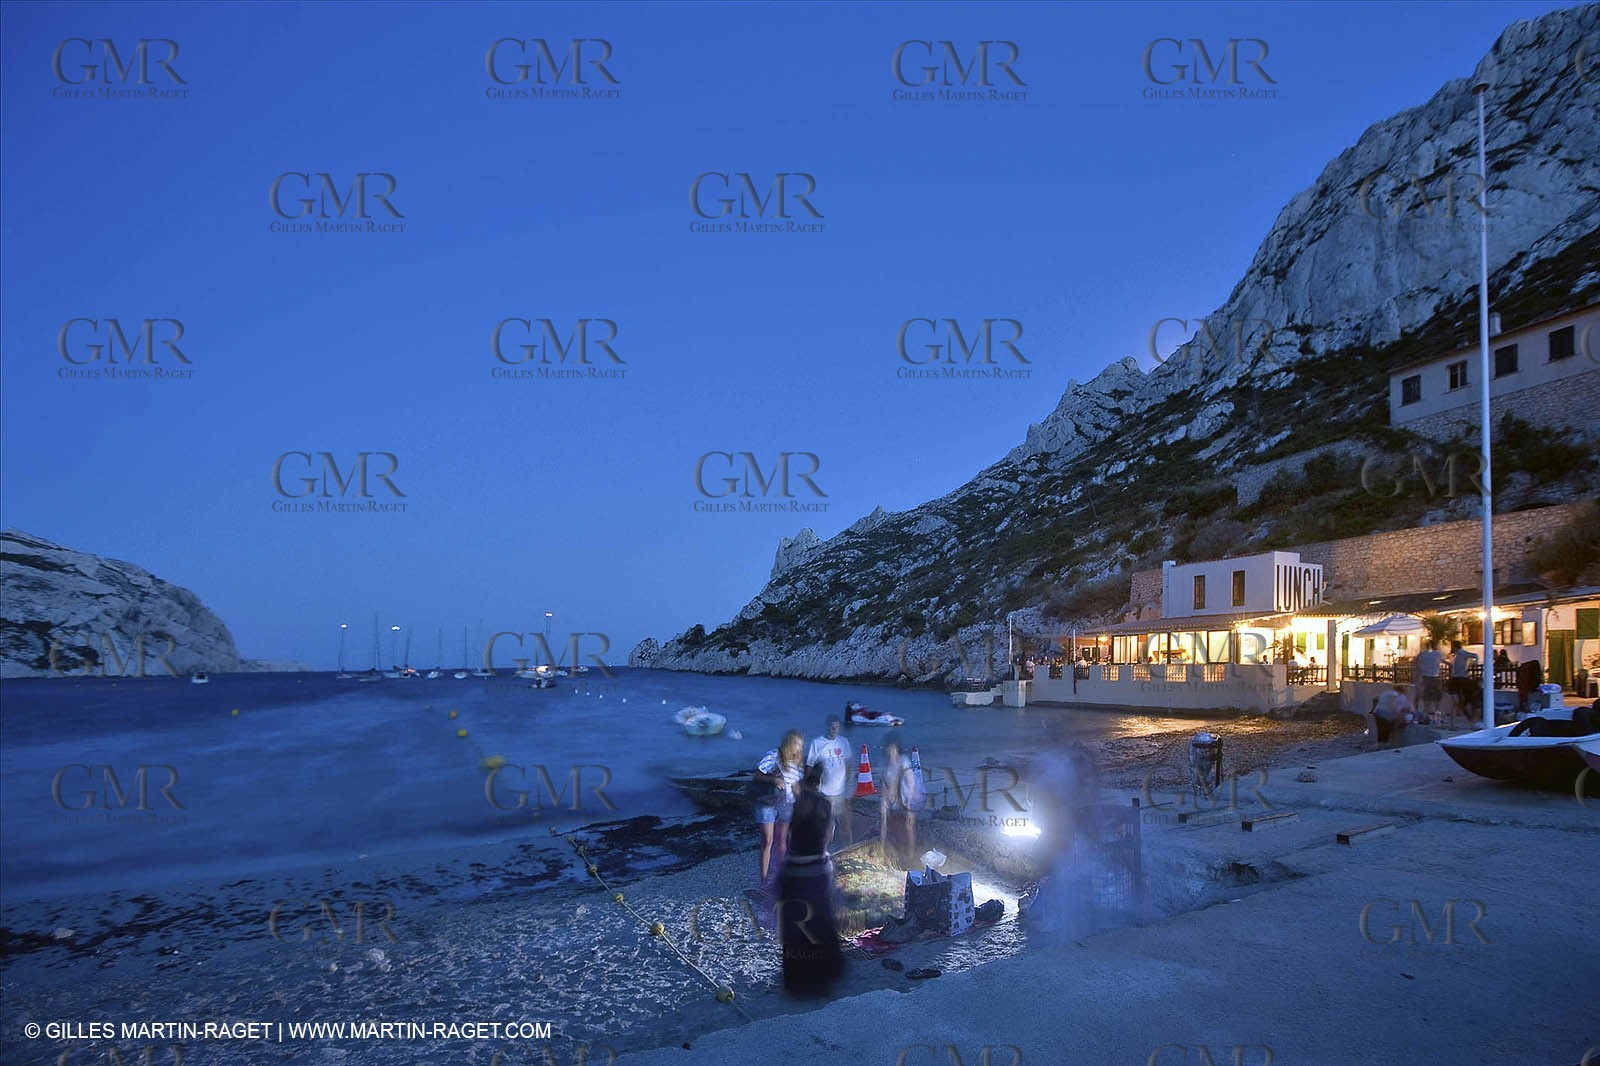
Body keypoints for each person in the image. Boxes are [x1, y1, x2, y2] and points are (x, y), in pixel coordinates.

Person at [777, 762, 843, 996]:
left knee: (796, 924)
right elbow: (828, 837)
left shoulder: (793, 804)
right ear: (819, 782)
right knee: (822, 919)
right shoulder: (825, 803)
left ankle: (798, 979)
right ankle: (826, 973)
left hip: (796, 870)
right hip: (820, 870)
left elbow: (783, 840)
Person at [753, 730, 805, 890]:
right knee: (767, 841)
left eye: (801, 745)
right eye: (797, 744)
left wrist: (803, 801)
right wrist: (773, 779)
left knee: (782, 841)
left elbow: (796, 785)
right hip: (768, 802)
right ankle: (764, 880)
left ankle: (781, 876)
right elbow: (757, 775)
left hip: (787, 804)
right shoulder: (773, 755)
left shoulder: (798, 762)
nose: (799, 748)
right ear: (789, 743)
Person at [805, 715, 852, 846]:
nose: (834, 730)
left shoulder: (844, 742)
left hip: (842, 791)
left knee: (846, 823)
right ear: (827, 727)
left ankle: (848, 850)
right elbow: (809, 766)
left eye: (837, 727)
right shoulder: (817, 743)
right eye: (832, 727)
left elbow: (848, 763)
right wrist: (807, 786)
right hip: (825, 792)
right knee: (827, 825)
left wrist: (847, 782)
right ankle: (823, 854)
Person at [879, 739, 917, 870]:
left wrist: (910, 808)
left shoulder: (904, 762)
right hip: (893, 803)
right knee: (895, 830)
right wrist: (885, 804)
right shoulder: (886, 767)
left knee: (908, 828)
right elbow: (884, 786)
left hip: (905, 801)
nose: (891, 752)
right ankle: (900, 857)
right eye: (889, 750)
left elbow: (911, 783)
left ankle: (911, 858)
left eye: (893, 749)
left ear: (897, 750)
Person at [1448, 640, 1480, 723]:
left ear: (1455, 647)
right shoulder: (1456, 655)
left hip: (1459, 679)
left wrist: (1473, 664)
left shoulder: (1462, 653)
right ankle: (1464, 718)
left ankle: (1459, 719)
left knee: (1458, 702)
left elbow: (1475, 655)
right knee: (1458, 701)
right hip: (1458, 678)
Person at [1413, 640, 1443, 718]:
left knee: (1425, 696)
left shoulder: (1421, 654)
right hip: (1435, 677)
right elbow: (1441, 662)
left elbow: (1416, 664)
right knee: (1436, 696)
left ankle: (1425, 713)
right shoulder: (1438, 654)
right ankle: (1437, 713)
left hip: (1424, 677)